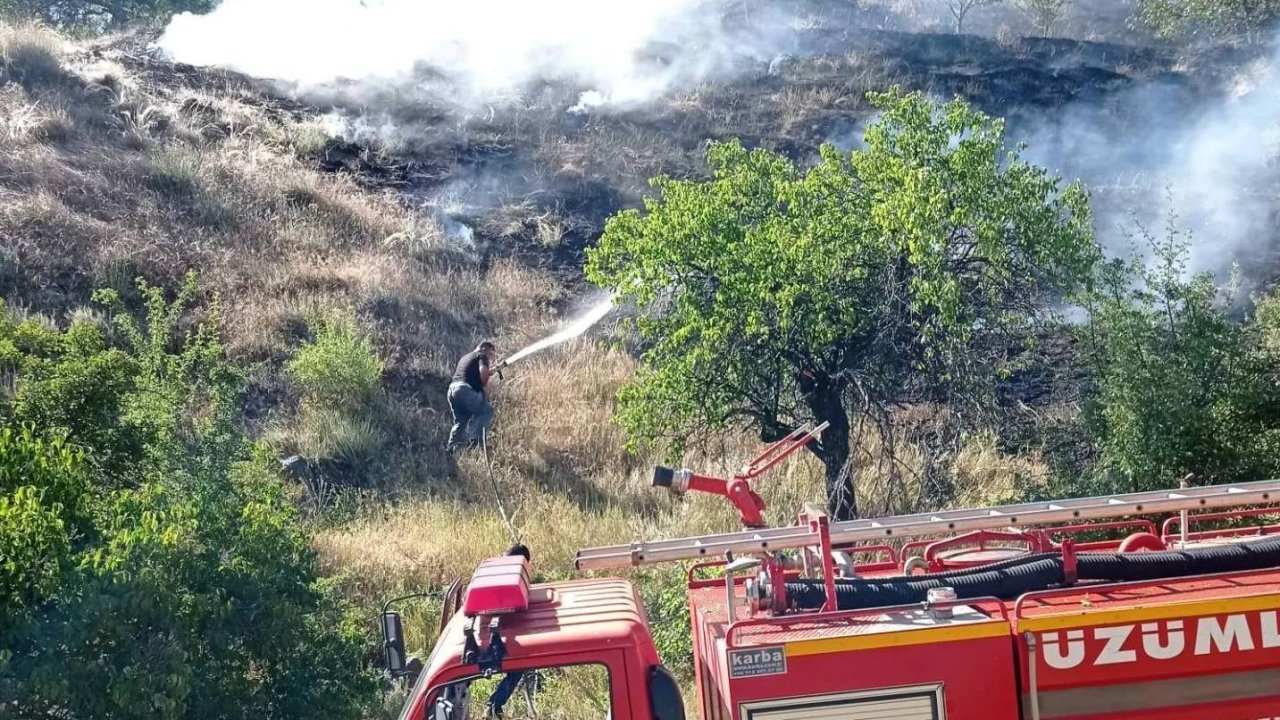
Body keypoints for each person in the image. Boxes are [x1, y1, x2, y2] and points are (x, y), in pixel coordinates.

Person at [487, 544, 533, 719]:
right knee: (517, 668)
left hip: (503, 626)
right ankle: (493, 706)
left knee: (517, 670)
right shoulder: (508, 573)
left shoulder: (511, 572)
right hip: (496, 632)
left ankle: (494, 706)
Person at [448, 341, 499, 454]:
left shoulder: (466, 357)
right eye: (490, 354)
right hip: (465, 390)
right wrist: (484, 380)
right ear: (484, 348)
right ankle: (477, 443)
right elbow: (483, 373)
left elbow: (470, 373)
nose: (489, 357)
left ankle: (451, 448)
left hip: (453, 390)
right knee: (486, 411)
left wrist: (489, 372)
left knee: (461, 421)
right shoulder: (481, 355)